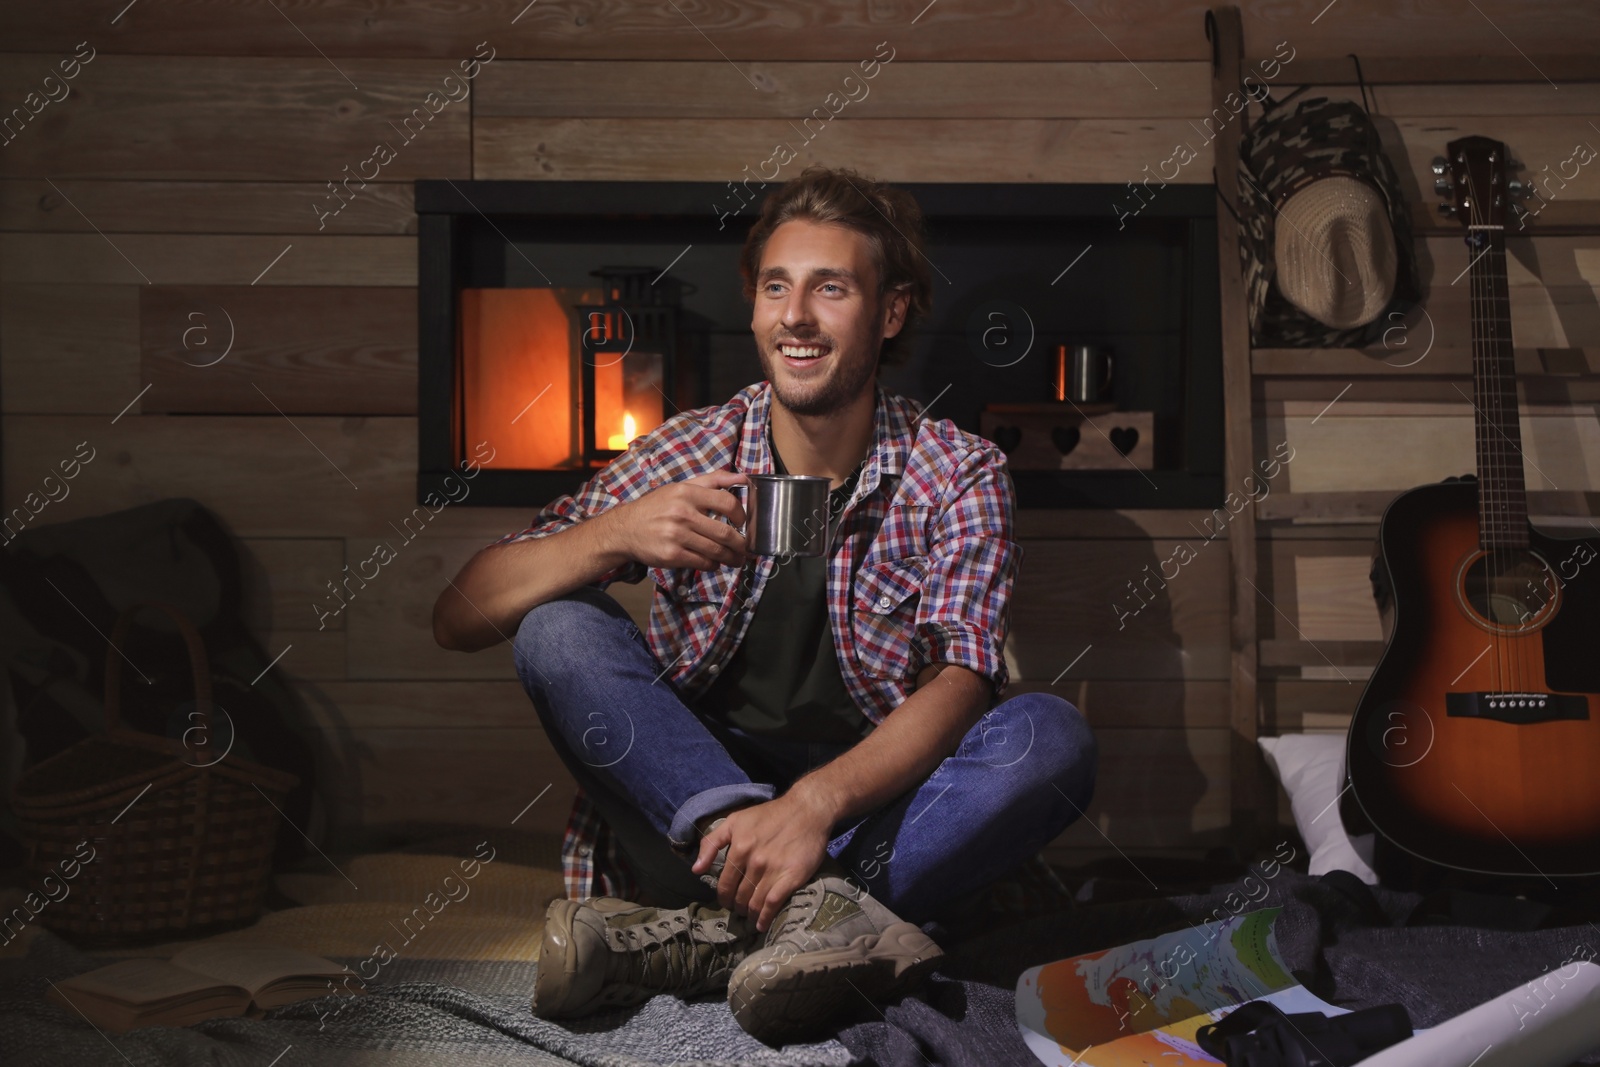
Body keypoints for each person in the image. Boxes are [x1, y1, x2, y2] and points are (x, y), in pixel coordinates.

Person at [432, 164, 1097, 1045]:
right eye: (777, 287)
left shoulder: (957, 470)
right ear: (754, 307)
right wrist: (616, 533)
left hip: (869, 825)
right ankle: (812, 918)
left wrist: (811, 808)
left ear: (890, 312)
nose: (796, 316)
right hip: (690, 828)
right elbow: (458, 615)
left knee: (1050, 738)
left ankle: (718, 940)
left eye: (831, 288)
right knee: (557, 627)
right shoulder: (692, 447)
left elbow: (963, 679)